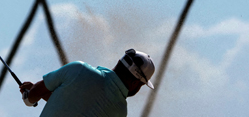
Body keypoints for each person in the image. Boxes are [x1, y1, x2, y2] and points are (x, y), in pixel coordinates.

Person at [19, 49, 155, 117]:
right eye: (141, 85)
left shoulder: (78, 69)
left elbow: (34, 95)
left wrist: (29, 96)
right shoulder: (120, 112)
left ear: (119, 62)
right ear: (134, 83)